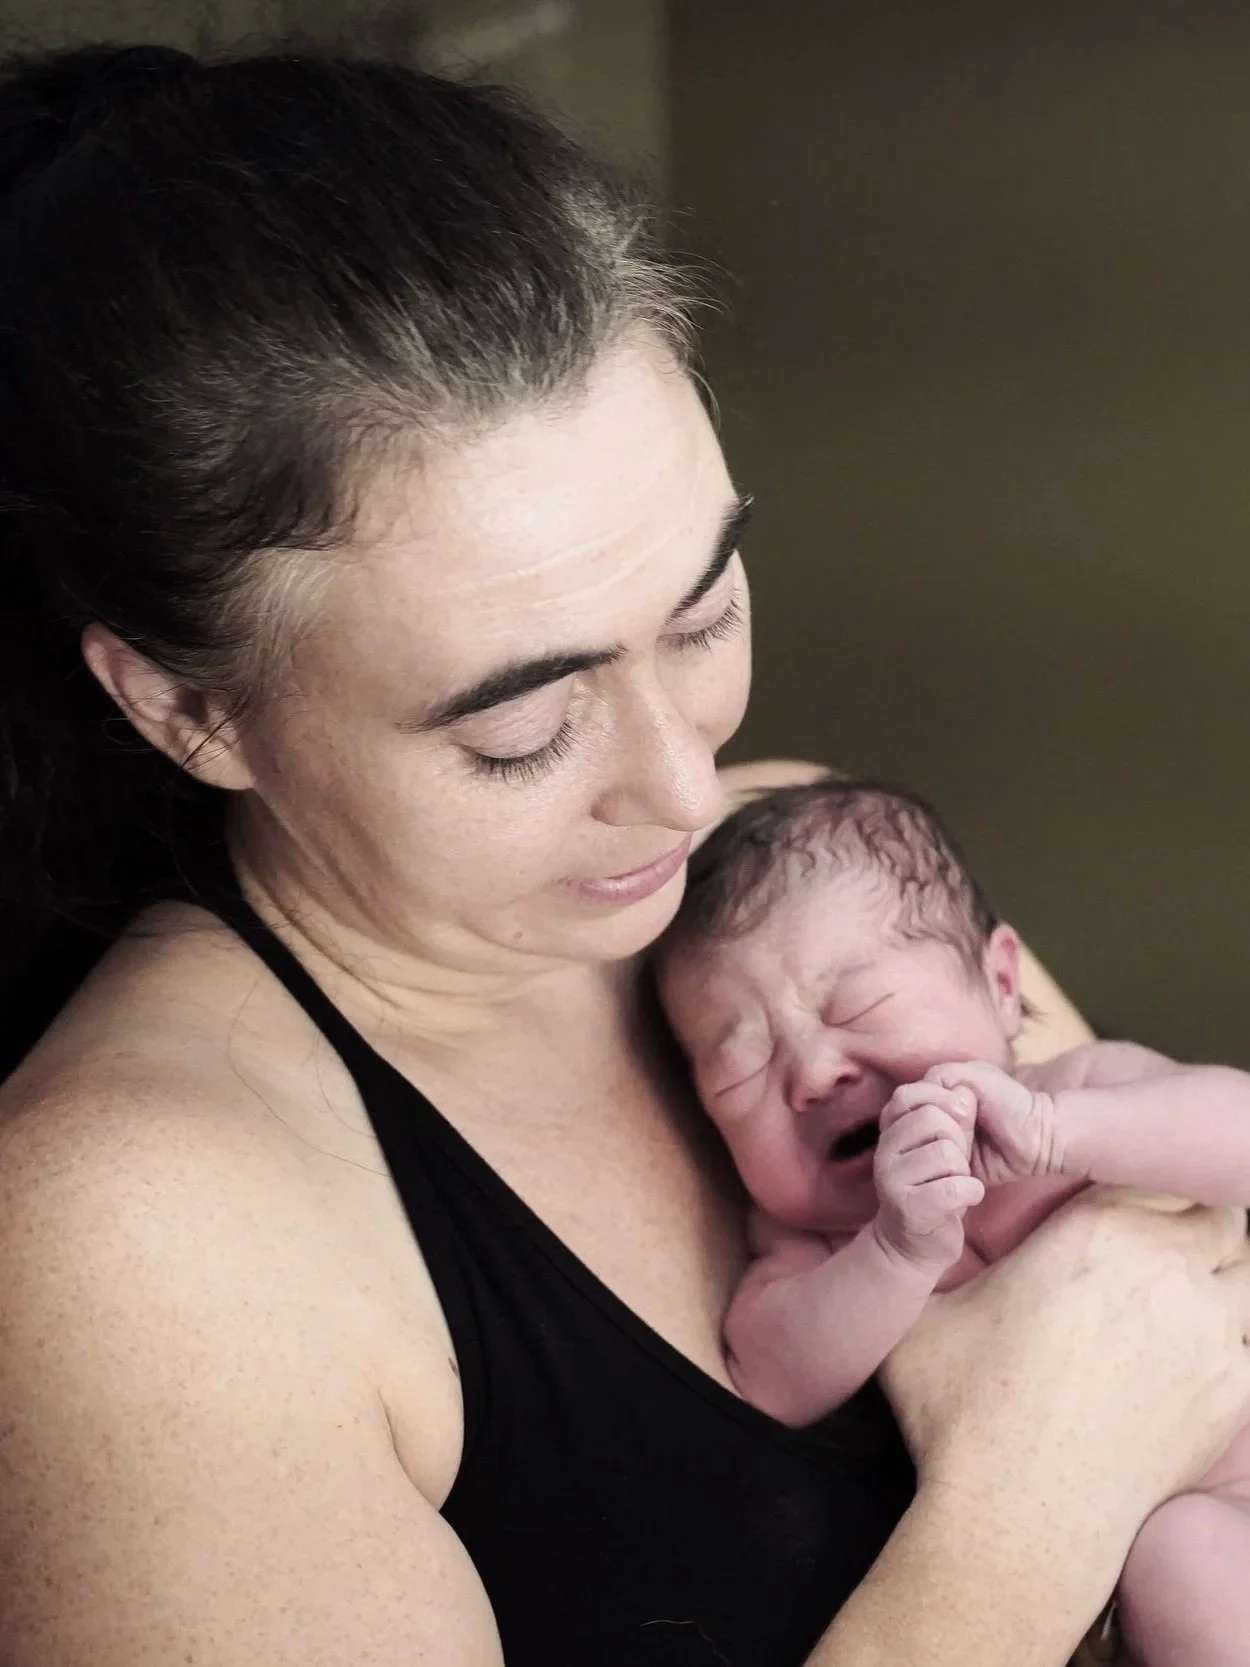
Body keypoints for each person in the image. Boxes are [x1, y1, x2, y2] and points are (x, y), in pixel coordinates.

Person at [0, 41, 1248, 1667]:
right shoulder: (128, 1236)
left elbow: (1190, 1277)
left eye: (704, 613)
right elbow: (1122, 1367)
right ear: (186, 707)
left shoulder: (796, 873)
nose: (681, 788)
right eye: (521, 728)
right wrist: (1032, 1496)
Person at [656, 776, 1250, 1666]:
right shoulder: (815, 1242)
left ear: (1002, 984)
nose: (813, 1073)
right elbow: (769, 1377)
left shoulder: (1082, 1089)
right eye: (742, 1069)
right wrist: (894, 1251)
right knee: (1183, 1562)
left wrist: (1061, 1134)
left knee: (1187, 1559)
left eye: (860, 1008)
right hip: (1127, 1564)